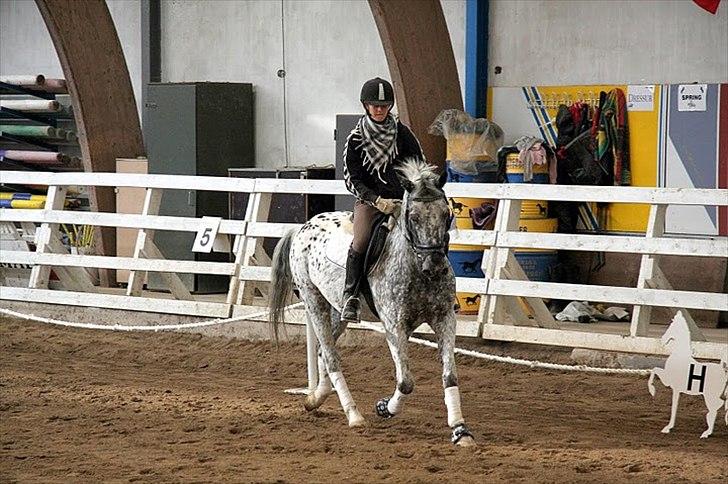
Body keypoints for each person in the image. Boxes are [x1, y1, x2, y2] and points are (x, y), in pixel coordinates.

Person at [341, 77, 425, 323]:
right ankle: (351, 296)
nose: (379, 110)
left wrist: (416, 193)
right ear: (365, 106)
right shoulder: (355, 139)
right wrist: (376, 200)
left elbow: (419, 165)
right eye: (375, 105)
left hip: (405, 201)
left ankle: (442, 290)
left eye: (384, 105)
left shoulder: (403, 134)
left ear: (390, 106)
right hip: (371, 203)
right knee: (362, 240)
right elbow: (351, 179)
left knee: (431, 233)